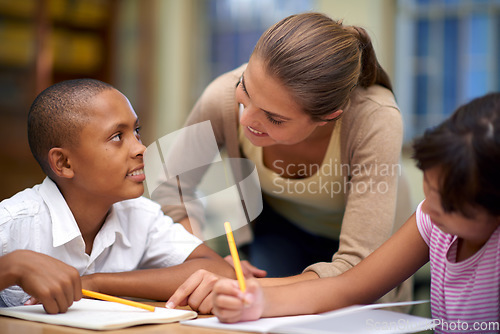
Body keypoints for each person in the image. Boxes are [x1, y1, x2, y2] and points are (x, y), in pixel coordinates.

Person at [157, 12, 412, 312]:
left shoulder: (374, 118)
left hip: (366, 252)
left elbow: (356, 268)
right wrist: (204, 261)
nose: (247, 118)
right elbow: (173, 187)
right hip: (282, 230)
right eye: (245, 90)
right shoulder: (221, 97)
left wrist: (234, 288)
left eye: (275, 118)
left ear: (329, 117)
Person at [211, 92, 500, 332]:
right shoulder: (431, 220)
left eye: (453, 206)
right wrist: (259, 300)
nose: (432, 206)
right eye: (429, 185)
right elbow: (349, 287)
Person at [0, 78, 235, 314]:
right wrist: (12, 267)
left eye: (137, 132)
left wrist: (96, 283)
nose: (141, 149)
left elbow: (219, 270)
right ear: (64, 162)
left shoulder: (140, 216)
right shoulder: (11, 224)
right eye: (117, 137)